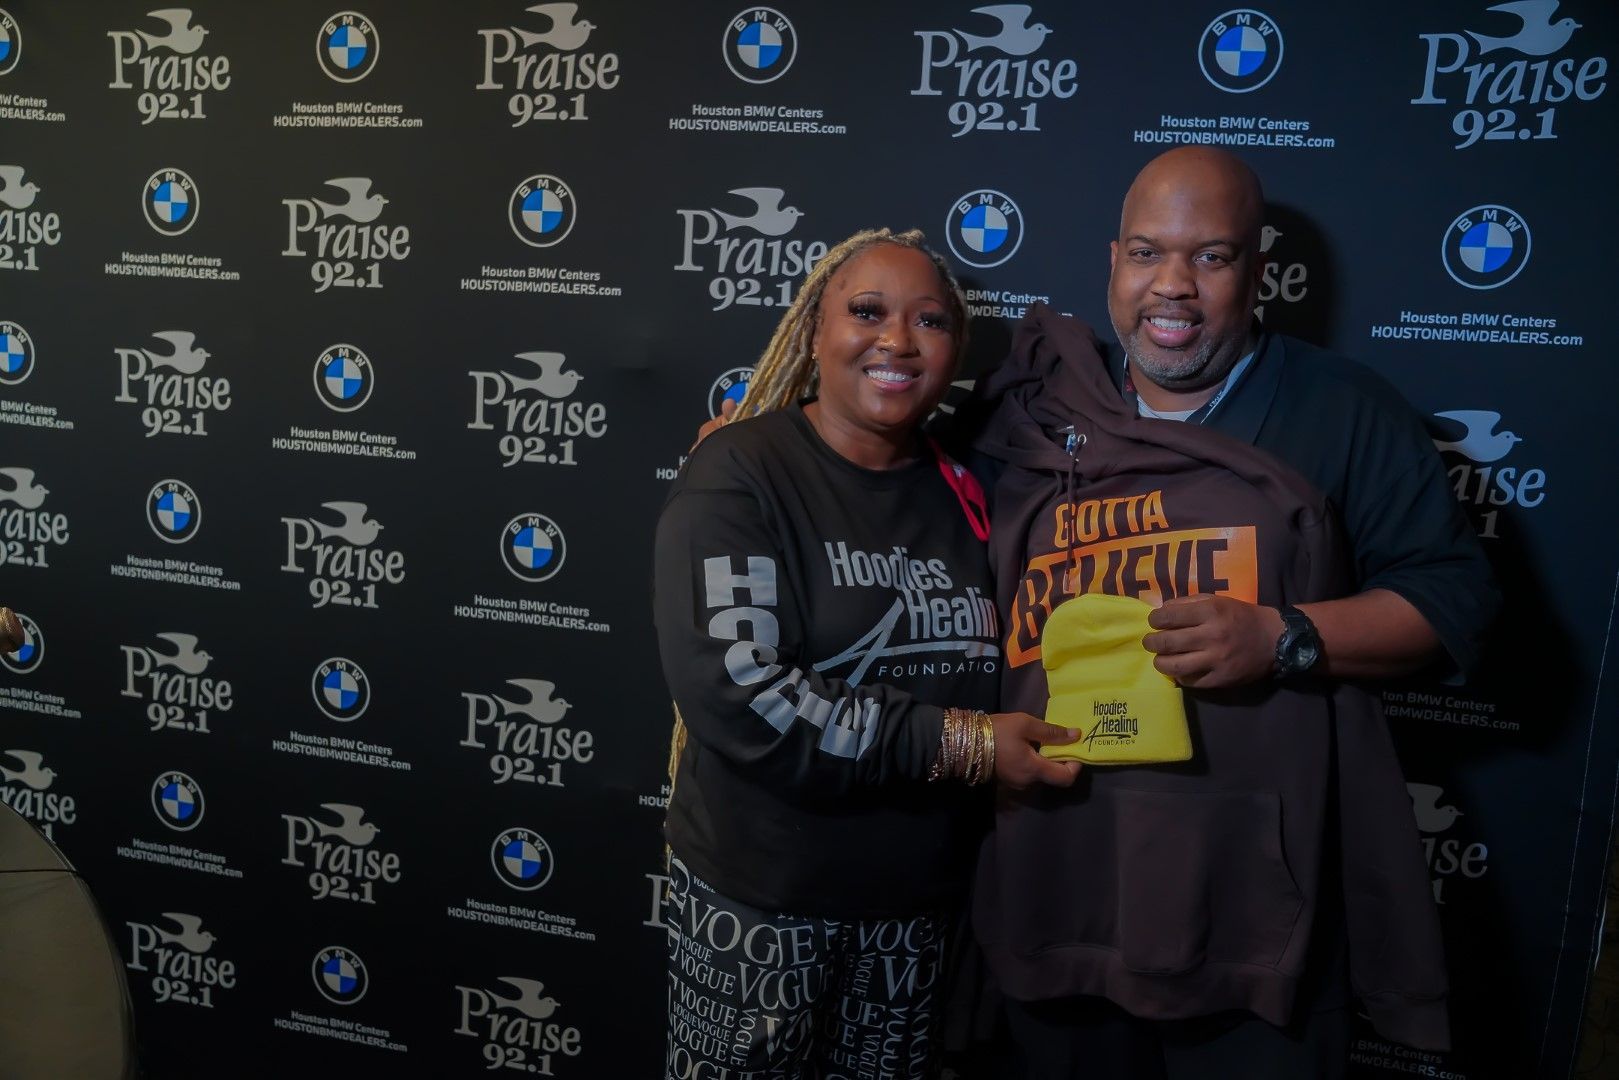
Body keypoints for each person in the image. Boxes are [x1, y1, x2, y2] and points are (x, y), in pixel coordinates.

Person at [964, 147, 1499, 1078]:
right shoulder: (1037, 414)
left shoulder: (1342, 410)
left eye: (1210, 257)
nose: (1172, 286)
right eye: (1145, 253)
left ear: (1259, 271)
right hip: (1060, 884)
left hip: (1253, 913)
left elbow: (1453, 603)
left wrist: (1282, 636)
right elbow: (894, 506)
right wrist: (770, 457)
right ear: (1112, 264)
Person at [653, 227, 1080, 1080]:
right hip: (764, 906)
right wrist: (960, 743)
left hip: (915, 914)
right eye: (867, 311)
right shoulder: (742, 471)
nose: (896, 340)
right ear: (815, 329)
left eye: (929, 321)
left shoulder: (970, 486)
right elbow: (742, 695)